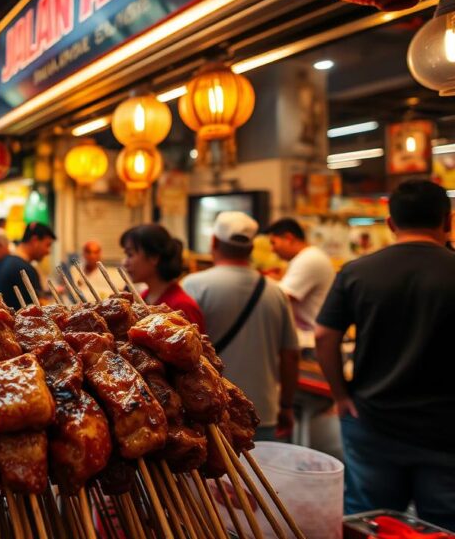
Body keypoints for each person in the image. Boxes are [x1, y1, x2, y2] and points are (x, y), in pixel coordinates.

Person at [315, 180, 455, 527]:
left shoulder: (357, 271)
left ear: (391, 223)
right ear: (448, 221)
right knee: (445, 524)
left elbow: (323, 335)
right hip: (446, 427)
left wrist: (340, 394)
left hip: (372, 420)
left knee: (370, 521)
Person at [181, 212, 299, 441]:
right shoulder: (276, 292)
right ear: (251, 248)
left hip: (209, 412)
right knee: (259, 476)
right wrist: (286, 405)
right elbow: (290, 356)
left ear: (214, 242)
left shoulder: (194, 286)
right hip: (262, 411)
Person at [265, 218, 335, 348]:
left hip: (312, 342)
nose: (272, 249)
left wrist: (260, 283)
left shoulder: (309, 258)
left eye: (274, 243)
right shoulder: (307, 257)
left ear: (289, 238)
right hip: (312, 338)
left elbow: (281, 297)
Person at [120, 225, 205, 332]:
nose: (125, 262)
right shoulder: (142, 298)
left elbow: (197, 347)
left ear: (154, 257)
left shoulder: (183, 306)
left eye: (130, 254)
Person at [0, 222, 56, 308]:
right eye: (47, 245)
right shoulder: (25, 270)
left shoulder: (1, 263)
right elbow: (39, 308)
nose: (48, 251)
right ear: (35, 241)